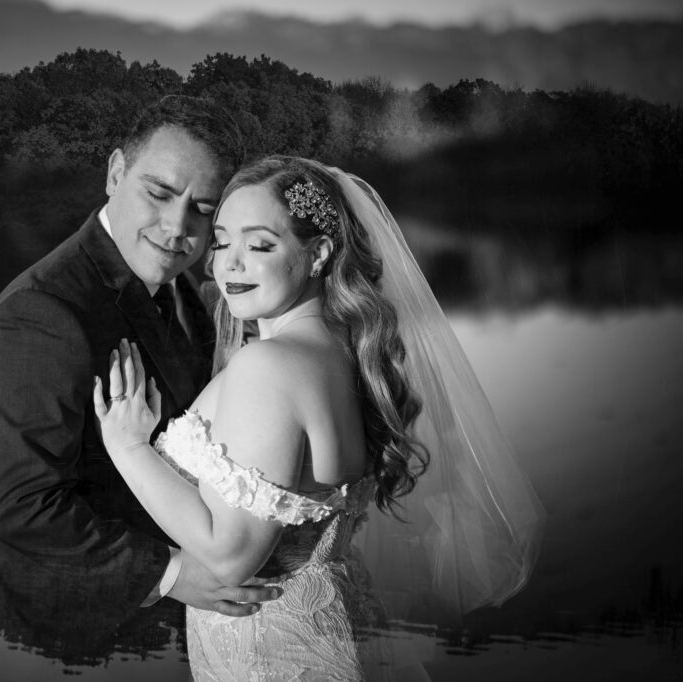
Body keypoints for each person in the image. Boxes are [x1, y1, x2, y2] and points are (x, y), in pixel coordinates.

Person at [93, 156, 545, 680]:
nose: (228, 264)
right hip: (334, 628)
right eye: (221, 241)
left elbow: (230, 557)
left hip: (270, 653)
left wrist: (129, 448)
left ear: (319, 254)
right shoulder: (345, 354)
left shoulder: (270, 366)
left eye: (260, 245)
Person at [0, 95, 283, 661]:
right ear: (114, 173)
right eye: (158, 193)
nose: (177, 226)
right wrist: (175, 574)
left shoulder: (186, 291)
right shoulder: (40, 314)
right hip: (49, 641)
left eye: (203, 209)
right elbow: (24, 509)